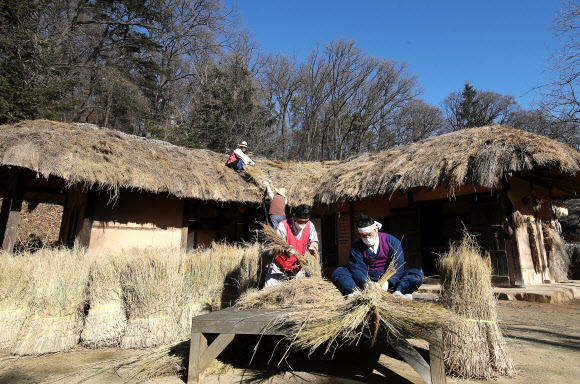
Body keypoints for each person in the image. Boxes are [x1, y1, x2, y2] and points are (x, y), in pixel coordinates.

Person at [332, 213, 423, 300]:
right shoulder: (357, 246)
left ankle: (399, 292)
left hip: (389, 280)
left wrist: (387, 283)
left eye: (369, 234)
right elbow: (357, 268)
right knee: (339, 272)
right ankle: (356, 293)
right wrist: (366, 283)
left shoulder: (391, 241)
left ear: (376, 229)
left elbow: (398, 264)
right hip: (367, 280)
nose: (367, 238)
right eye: (363, 236)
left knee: (416, 275)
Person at [264, 204, 319, 288]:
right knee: (268, 291)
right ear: (294, 216)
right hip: (279, 268)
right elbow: (276, 248)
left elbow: (314, 241)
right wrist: (285, 252)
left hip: (297, 269)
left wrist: (313, 248)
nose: (303, 224)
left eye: (306, 221)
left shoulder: (310, 225)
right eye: (300, 222)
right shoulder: (283, 226)